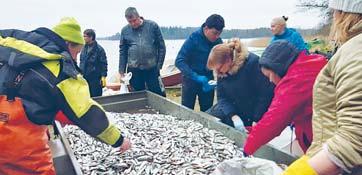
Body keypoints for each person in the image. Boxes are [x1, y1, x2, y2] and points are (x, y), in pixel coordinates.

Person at [0, 17, 131, 175]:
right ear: (68, 44)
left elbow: (32, 93)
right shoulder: (59, 67)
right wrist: (118, 139)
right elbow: (86, 112)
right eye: (76, 52)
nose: (75, 58)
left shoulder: (17, 46)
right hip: (20, 144)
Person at [282, 1, 362, 174]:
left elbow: (355, 137)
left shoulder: (356, 50)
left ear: (344, 14)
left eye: (334, 12)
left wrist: (302, 171)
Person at [243, 40, 327, 156]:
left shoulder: (295, 81)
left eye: (269, 75)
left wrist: (247, 149)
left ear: (278, 68)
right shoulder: (310, 63)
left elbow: (274, 121)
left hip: (321, 139)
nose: (270, 81)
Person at [206, 38, 274, 131]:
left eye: (219, 68)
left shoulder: (253, 63)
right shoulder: (221, 72)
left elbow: (265, 94)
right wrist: (233, 116)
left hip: (254, 112)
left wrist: (257, 119)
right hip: (234, 111)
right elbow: (222, 97)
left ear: (228, 60)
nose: (217, 72)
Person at [175, 14, 224, 111]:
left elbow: (221, 60)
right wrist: (195, 76)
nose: (217, 36)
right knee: (187, 111)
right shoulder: (193, 39)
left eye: (219, 33)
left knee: (207, 111)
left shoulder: (218, 41)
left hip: (207, 80)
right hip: (190, 79)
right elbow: (179, 61)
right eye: (214, 33)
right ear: (206, 29)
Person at [119, 7, 166, 97]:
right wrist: (121, 71)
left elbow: (161, 47)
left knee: (158, 93)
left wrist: (159, 65)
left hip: (152, 68)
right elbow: (123, 51)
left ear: (139, 16)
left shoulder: (152, 26)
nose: (133, 24)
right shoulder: (125, 30)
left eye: (134, 20)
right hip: (134, 69)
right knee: (136, 96)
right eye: (130, 22)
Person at [80, 29, 108, 97]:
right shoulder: (83, 48)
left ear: (91, 37)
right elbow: (81, 61)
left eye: (85, 36)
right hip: (85, 77)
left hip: (95, 78)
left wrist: (103, 76)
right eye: (83, 36)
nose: (83, 38)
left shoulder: (99, 49)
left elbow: (104, 63)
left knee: (96, 97)